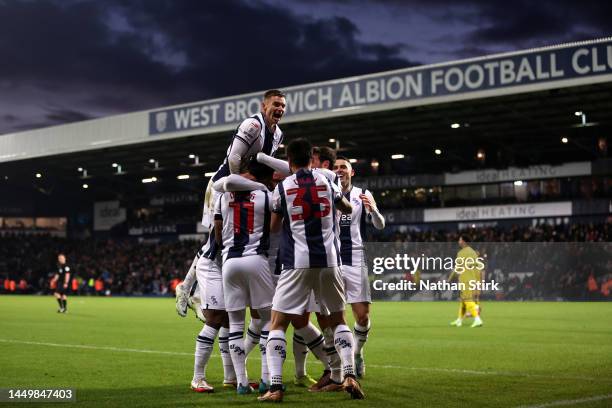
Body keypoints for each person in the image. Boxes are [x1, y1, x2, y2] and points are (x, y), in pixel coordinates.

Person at [258, 138, 364, 402]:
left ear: (289, 160)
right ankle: (349, 374)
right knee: (339, 320)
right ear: (310, 158)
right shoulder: (327, 181)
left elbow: (273, 227)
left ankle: (276, 387)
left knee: (278, 323)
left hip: (297, 263)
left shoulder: (282, 187)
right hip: (330, 260)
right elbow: (347, 207)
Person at [176, 89, 286, 318]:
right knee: (215, 240)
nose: (280, 109)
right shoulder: (252, 125)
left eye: (283, 106)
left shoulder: (278, 134)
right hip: (222, 185)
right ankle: (188, 288)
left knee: (222, 243)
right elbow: (234, 158)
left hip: (242, 187)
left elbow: (262, 167)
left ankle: (191, 289)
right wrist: (237, 188)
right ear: (263, 106)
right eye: (275, 104)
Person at [213, 160, 277, 395]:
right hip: (256, 259)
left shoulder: (223, 196)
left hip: (230, 261)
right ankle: (266, 378)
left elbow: (217, 232)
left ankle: (241, 382)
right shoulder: (266, 195)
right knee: (269, 321)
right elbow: (274, 226)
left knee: (236, 326)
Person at [333, 156, 385, 378]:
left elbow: (380, 225)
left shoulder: (362, 194)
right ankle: (338, 367)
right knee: (333, 316)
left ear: (351, 172)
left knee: (362, 316)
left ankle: (357, 353)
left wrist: (373, 210)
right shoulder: (326, 191)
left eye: (343, 167)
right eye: (335, 167)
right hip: (331, 259)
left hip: (355, 257)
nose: (339, 170)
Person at [449, 236, 484, 328]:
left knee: (467, 300)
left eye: (460, 240)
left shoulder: (460, 253)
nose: (458, 241)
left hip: (465, 279)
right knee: (463, 301)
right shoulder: (473, 252)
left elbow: (457, 268)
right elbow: (478, 266)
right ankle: (459, 320)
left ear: (463, 241)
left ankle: (477, 319)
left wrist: (449, 278)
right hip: (472, 279)